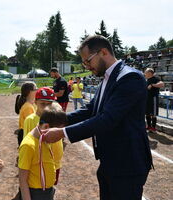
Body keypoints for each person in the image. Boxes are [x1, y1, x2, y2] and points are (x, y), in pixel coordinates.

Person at [42, 35, 153, 200]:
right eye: (84, 63)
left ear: (103, 52)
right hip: (110, 160)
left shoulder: (130, 78)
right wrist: (56, 120)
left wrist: (62, 133)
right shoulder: (108, 78)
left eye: (88, 61)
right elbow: (90, 109)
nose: (87, 66)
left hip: (127, 163)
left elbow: (107, 119)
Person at [19, 104, 67, 200]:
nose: (59, 139)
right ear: (46, 127)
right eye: (58, 136)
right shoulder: (29, 145)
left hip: (47, 191)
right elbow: (22, 179)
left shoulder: (43, 138)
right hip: (35, 194)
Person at [144, 68, 164, 132]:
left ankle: (153, 128)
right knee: (147, 113)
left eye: (146, 72)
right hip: (147, 99)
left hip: (153, 99)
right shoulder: (146, 80)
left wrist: (153, 85)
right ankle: (149, 127)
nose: (144, 74)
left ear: (149, 73)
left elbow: (162, 84)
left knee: (153, 114)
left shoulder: (155, 79)